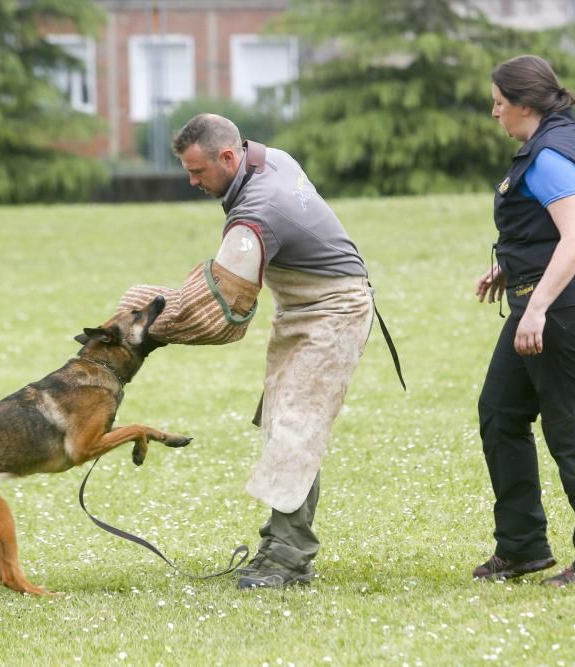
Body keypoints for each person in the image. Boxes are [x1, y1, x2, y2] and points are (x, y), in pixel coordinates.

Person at [123, 113, 377, 589]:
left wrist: (148, 327)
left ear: (227, 156)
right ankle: (280, 544)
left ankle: (288, 559)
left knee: (295, 428)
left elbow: (221, 317)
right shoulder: (267, 158)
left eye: (198, 172)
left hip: (334, 311)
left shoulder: (257, 211)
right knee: (283, 424)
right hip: (301, 308)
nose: (192, 182)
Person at [473, 55, 575, 586]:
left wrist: (539, 307)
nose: (494, 113)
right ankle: (522, 546)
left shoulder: (549, 156)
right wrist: (511, 266)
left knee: (570, 427)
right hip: (550, 290)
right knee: (500, 411)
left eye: (500, 104)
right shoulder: (561, 136)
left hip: (567, 303)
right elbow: (553, 226)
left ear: (526, 105)